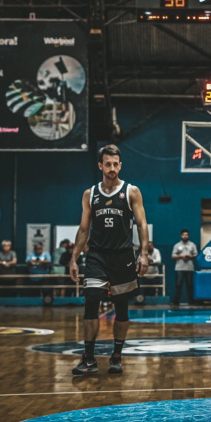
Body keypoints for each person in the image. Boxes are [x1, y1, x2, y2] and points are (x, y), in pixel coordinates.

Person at [68, 144, 150, 376]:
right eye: (108, 164)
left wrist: (143, 253)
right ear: (100, 165)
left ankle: (116, 355)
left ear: (120, 165)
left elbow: (142, 223)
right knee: (91, 301)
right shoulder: (90, 194)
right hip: (97, 255)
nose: (112, 168)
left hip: (123, 256)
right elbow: (84, 230)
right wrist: (74, 258)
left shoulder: (131, 191)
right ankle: (89, 358)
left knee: (121, 308)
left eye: (115, 164)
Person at [171, 229, 197, 306]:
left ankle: (191, 301)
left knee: (190, 285)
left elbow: (196, 255)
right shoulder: (177, 245)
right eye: (183, 235)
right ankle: (176, 302)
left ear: (188, 236)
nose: (185, 236)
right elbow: (173, 256)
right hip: (179, 268)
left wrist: (190, 256)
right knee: (178, 285)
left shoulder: (192, 245)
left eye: (186, 235)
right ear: (181, 235)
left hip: (189, 268)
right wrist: (181, 256)